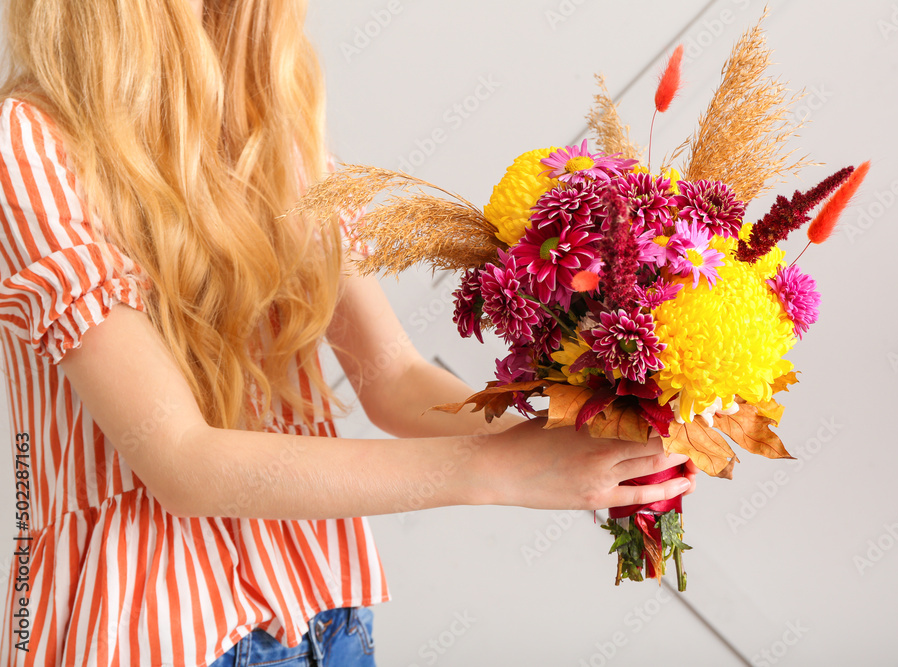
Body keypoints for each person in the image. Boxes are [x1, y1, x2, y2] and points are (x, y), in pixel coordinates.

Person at [0, 0, 697, 665]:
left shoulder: (268, 124)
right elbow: (183, 463)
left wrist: (569, 426)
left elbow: (391, 377)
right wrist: (495, 467)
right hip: (148, 633)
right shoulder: (26, 144)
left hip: (327, 621)